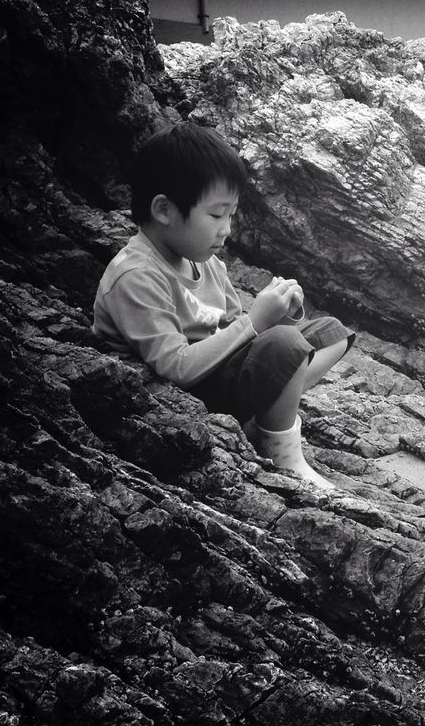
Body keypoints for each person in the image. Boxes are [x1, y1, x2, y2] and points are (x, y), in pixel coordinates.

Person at [92, 123, 353, 489]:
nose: (226, 228)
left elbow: (238, 327)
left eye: (231, 215)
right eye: (216, 215)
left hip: (218, 374)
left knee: (331, 333)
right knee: (286, 347)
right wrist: (257, 323)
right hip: (182, 395)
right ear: (164, 209)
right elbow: (175, 367)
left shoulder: (206, 262)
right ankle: (282, 451)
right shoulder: (135, 275)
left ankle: (267, 409)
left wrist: (280, 313)